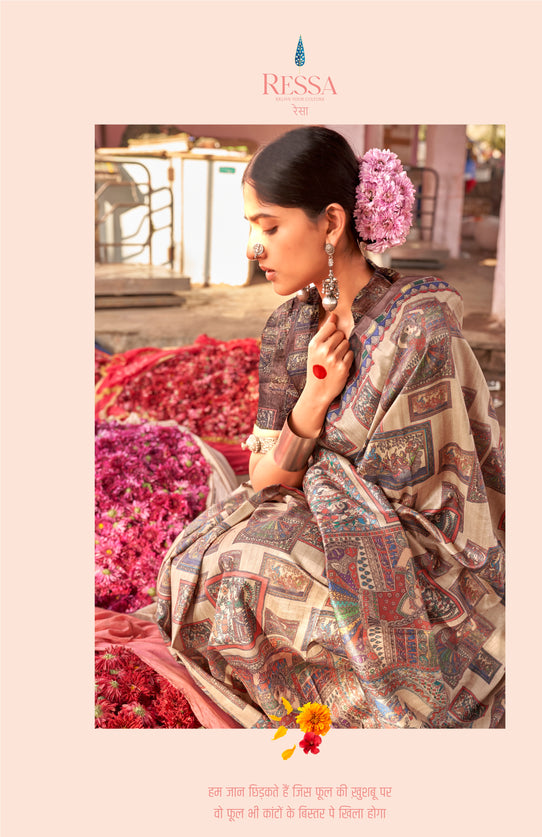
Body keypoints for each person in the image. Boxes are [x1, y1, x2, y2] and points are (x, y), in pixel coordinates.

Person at [155, 126, 505, 729]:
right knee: (201, 561)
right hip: (318, 519)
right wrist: (313, 400)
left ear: (332, 223)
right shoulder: (289, 331)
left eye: (268, 226)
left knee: (276, 578)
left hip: (417, 553)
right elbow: (267, 477)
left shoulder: (419, 328)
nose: (251, 248)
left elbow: (440, 502)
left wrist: (336, 502)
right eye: (249, 227)